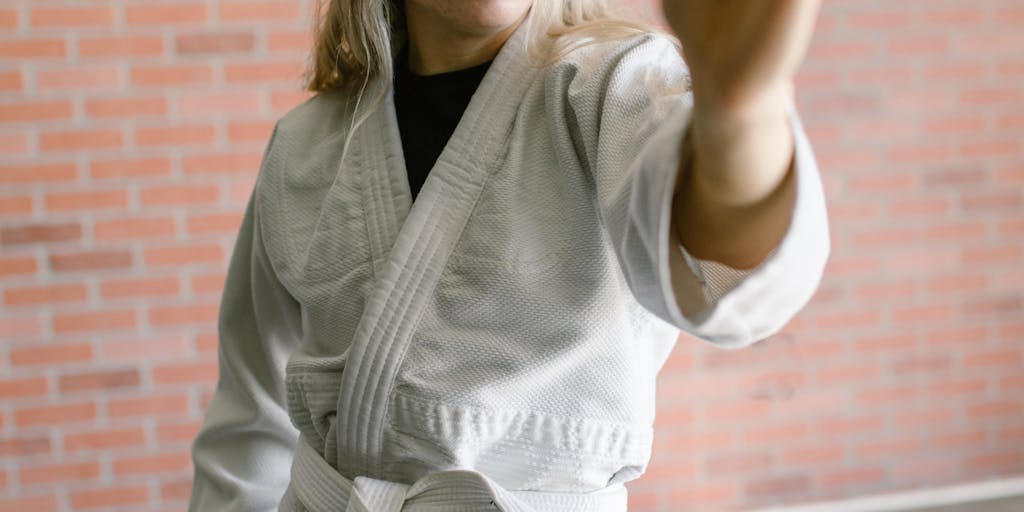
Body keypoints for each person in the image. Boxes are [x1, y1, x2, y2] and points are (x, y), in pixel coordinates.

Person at [188, 0, 830, 510]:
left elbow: (722, 267)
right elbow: (251, 422)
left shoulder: (619, 86)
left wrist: (739, 115)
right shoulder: (305, 146)